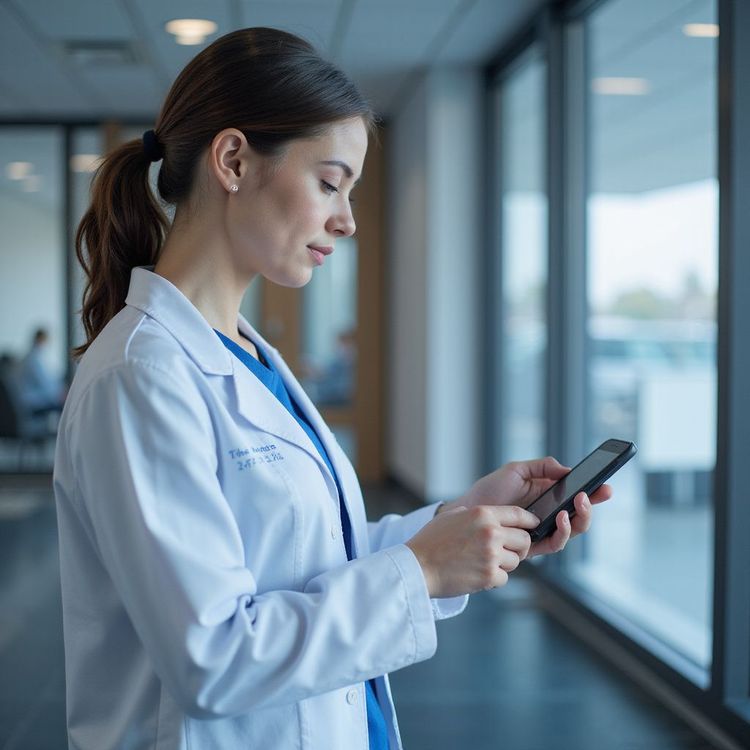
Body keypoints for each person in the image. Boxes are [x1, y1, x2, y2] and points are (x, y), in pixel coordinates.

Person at [53, 27, 612, 750]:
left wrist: (463, 521)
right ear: (232, 160)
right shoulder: (143, 376)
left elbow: (313, 557)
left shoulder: (246, 355)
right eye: (329, 182)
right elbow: (212, 660)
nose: (346, 220)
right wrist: (422, 572)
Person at [18, 327, 65, 416]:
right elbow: (45, 384)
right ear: (41, 340)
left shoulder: (33, 357)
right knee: (66, 408)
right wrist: (59, 394)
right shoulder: (34, 359)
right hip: (35, 403)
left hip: (35, 400)